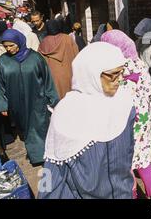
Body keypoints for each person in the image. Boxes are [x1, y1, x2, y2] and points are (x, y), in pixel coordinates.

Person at [38, 42, 136, 199]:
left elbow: (128, 149)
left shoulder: (123, 103)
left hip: (122, 192)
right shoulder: (66, 112)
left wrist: (129, 175)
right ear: (90, 73)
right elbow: (52, 167)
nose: (119, 80)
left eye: (121, 72)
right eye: (113, 75)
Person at [101, 29, 151, 199]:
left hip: (122, 125)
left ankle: (132, 194)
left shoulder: (112, 71)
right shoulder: (142, 66)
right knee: (144, 161)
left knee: (125, 165)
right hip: (142, 122)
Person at [0, 29, 59, 165]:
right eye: (6, 46)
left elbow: (47, 79)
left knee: (39, 128)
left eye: (11, 45)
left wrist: (53, 99)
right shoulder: (3, 61)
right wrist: (2, 103)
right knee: (25, 129)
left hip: (37, 101)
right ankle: (37, 154)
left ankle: (41, 156)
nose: (9, 49)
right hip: (16, 104)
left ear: (19, 42)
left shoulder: (35, 58)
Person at [38, 19, 79, 99]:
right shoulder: (68, 39)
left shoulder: (43, 43)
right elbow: (77, 56)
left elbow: (40, 64)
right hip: (70, 75)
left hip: (52, 79)